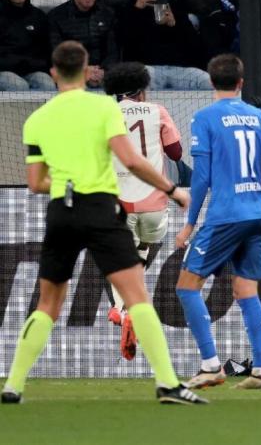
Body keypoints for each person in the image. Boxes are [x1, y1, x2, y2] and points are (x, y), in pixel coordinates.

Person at [1, 41, 206, 405]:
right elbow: (132, 161)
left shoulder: (38, 118)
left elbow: (35, 183)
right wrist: (174, 190)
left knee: (47, 303)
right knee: (136, 295)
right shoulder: (102, 108)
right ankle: (167, 384)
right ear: (86, 71)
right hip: (101, 208)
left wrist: (64, 184)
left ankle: (14, 384)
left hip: (61, 210)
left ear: (52, 74)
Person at [174, 54, 261, 390]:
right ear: (241, 82)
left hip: (226, 215)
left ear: (211, 82)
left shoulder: (204, 118)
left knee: (187, 286)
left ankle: (211, 365)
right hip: (257, 214)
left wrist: (189, 223)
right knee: (245, 289)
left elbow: (202, 177)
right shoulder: (258, 116)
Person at [102, 61, 183, 361]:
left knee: (117, 258)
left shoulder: (104, 113)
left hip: (117, 199)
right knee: (143, 248)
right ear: (141, 90)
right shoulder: (157, 111)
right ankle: (124, 310)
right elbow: (176, 153)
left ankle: (122, 310)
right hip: (153, 198)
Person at [117, 0, 210, 90]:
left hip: (178, 68)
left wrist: (175, 25)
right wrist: (137, 10)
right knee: (138, 82)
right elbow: (124, 41)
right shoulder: (130, 7)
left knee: (207, 81)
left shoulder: (175, 5)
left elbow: (194, 44)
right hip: (146, 67)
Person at [48, 0, 119, 88]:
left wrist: (103, 70)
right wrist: (83, 71)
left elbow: (113, 49)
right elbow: (57, 51)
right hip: (72, 72)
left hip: (102, 72)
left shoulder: (107, 14)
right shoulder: (56, 16)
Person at [0, 0, 54, 91]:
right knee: (19, 86)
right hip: (4, 71)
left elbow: (46, 49)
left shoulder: (38, 16)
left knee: (47, 85)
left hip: (32, 70)